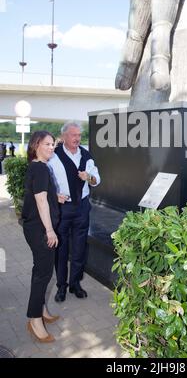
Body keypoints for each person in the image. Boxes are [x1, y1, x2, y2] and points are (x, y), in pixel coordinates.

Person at [48, 121, 100, 302]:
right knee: (60, 249)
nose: (77, 138)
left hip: (82, 207)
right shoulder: (53, 157)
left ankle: (75, 284)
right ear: (63, 137)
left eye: (79, 135)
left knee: (79, 248)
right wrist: (54, 195)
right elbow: (44, 184)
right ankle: (61, 286)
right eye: (73, 135)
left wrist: (89, 177)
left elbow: (97, 180)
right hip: (62, 209)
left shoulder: (87, 156)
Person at [22, 131, 62, 343]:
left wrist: (57, 197)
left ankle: (42, 308)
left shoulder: (37, 167)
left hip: (33, 226)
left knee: (41, 270)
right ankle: (34, 319)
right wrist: (49, 230)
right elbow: (40, 201)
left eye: (53, 144)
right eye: (47, 144)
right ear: (36, 145)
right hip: (40, 229)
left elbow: (40, 194)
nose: (51, 148)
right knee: (44, 273)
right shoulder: (41, 168)